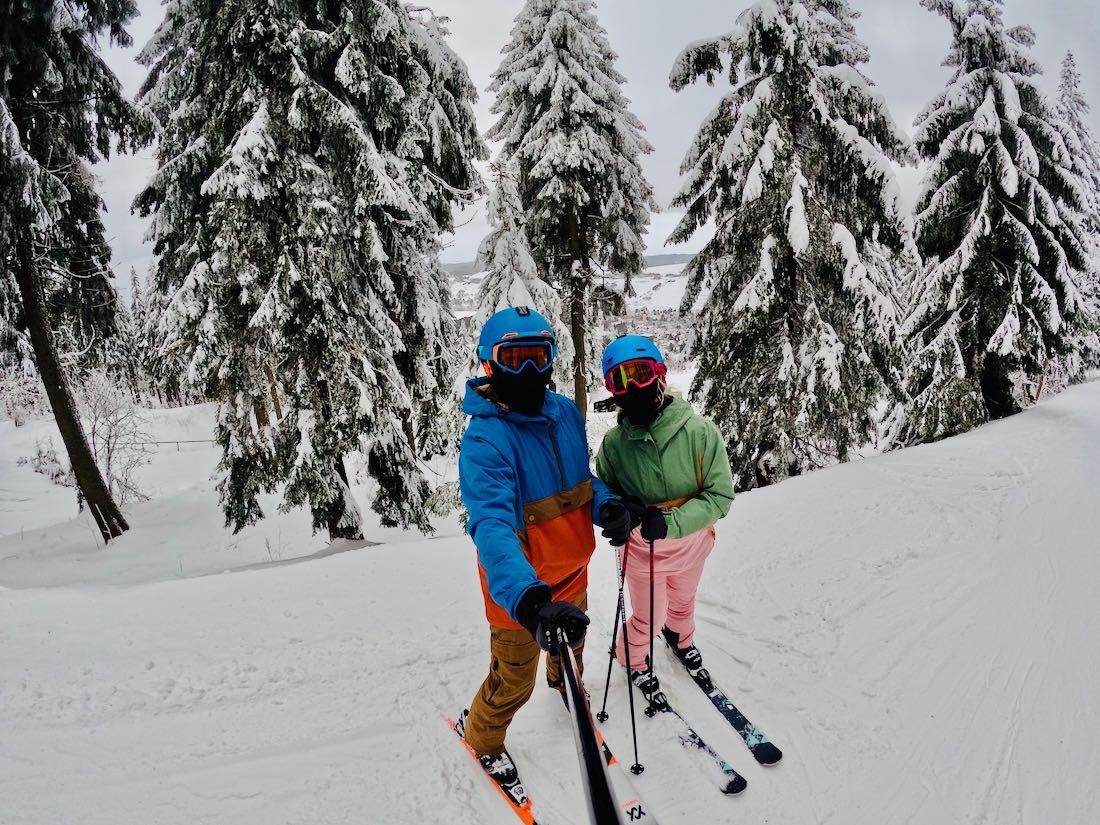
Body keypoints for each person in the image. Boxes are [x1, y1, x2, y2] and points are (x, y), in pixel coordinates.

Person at [455, 307, 635, 785]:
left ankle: (567, 684)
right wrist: (531, 603)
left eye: (539, 357)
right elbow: (492, 527)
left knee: (572, 644)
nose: (529, 371)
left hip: (573, 572)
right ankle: (482, 735)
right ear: (489, 365)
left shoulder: (564, 412)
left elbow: (580, 483)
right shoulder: (485, 440)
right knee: (515, 679)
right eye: (514, 359)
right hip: (520, 593)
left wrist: (606, 505)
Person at [595, 335, 734, 697]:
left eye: (640, 374)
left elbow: (719, 496)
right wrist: (620, 509)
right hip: (643, 551)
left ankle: (679, 636)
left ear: (659, 375)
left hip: (691, 545)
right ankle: (631, 656)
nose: (632, 387)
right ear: (611, 389)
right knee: (648, 616)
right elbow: (606, 493)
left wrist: (671, 522)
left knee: (684, 601)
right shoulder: (614, 446)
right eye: (620, 381)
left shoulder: (699, 433)